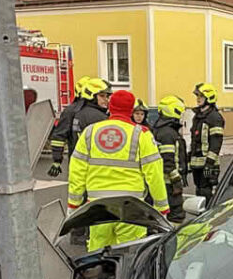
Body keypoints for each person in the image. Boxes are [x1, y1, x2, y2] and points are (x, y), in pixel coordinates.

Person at [67, 89, 170, 250]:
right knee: (130, 253)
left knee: (98, 253)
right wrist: (161, 207)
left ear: (110, 107)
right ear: (131, 110)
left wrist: (73, 204)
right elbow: (154, 173)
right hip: (131, 206)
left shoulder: (90, 131)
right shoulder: (141, 134)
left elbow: (77, 170)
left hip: (98, 206)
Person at [47, 77, 110, 177]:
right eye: (102, 96)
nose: (106, 99)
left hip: (78, 162)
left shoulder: (99, 112)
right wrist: (57, 160)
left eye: (107, 96)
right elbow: (59, 137)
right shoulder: (73, 111)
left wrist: (57, 160)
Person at [153, 94, 189, 223]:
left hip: (163, 183)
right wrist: (176, 180)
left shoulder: (162, 130)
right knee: (176, 214)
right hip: (169, 184)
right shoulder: (168, 133)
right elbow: (167, 162)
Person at [188, 82, 225, 203]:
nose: (198, 99)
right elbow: (195, 141)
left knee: (207, 193)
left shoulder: (214, 117)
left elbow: (216, 143)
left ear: (209, 97)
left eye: (201, 96)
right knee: (199, 192)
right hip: (197, 165)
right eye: (197, 96)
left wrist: (209, 164)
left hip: (209, 165)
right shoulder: (197, 116)